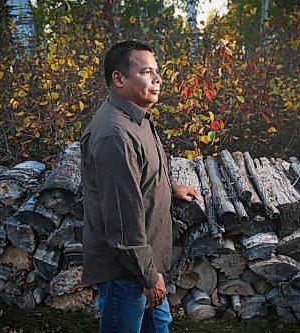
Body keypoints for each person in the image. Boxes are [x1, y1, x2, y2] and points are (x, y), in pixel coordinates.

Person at [80, 40, 199, 333]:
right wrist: (149, 276)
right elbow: (122, 222)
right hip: (127, 271)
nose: (158, 79)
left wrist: (168, 187)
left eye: (156, 71)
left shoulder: (137, 117)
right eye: (147, 72)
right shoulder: (115, 135)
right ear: (119, 78)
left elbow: (138, 174)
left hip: (142, 266)